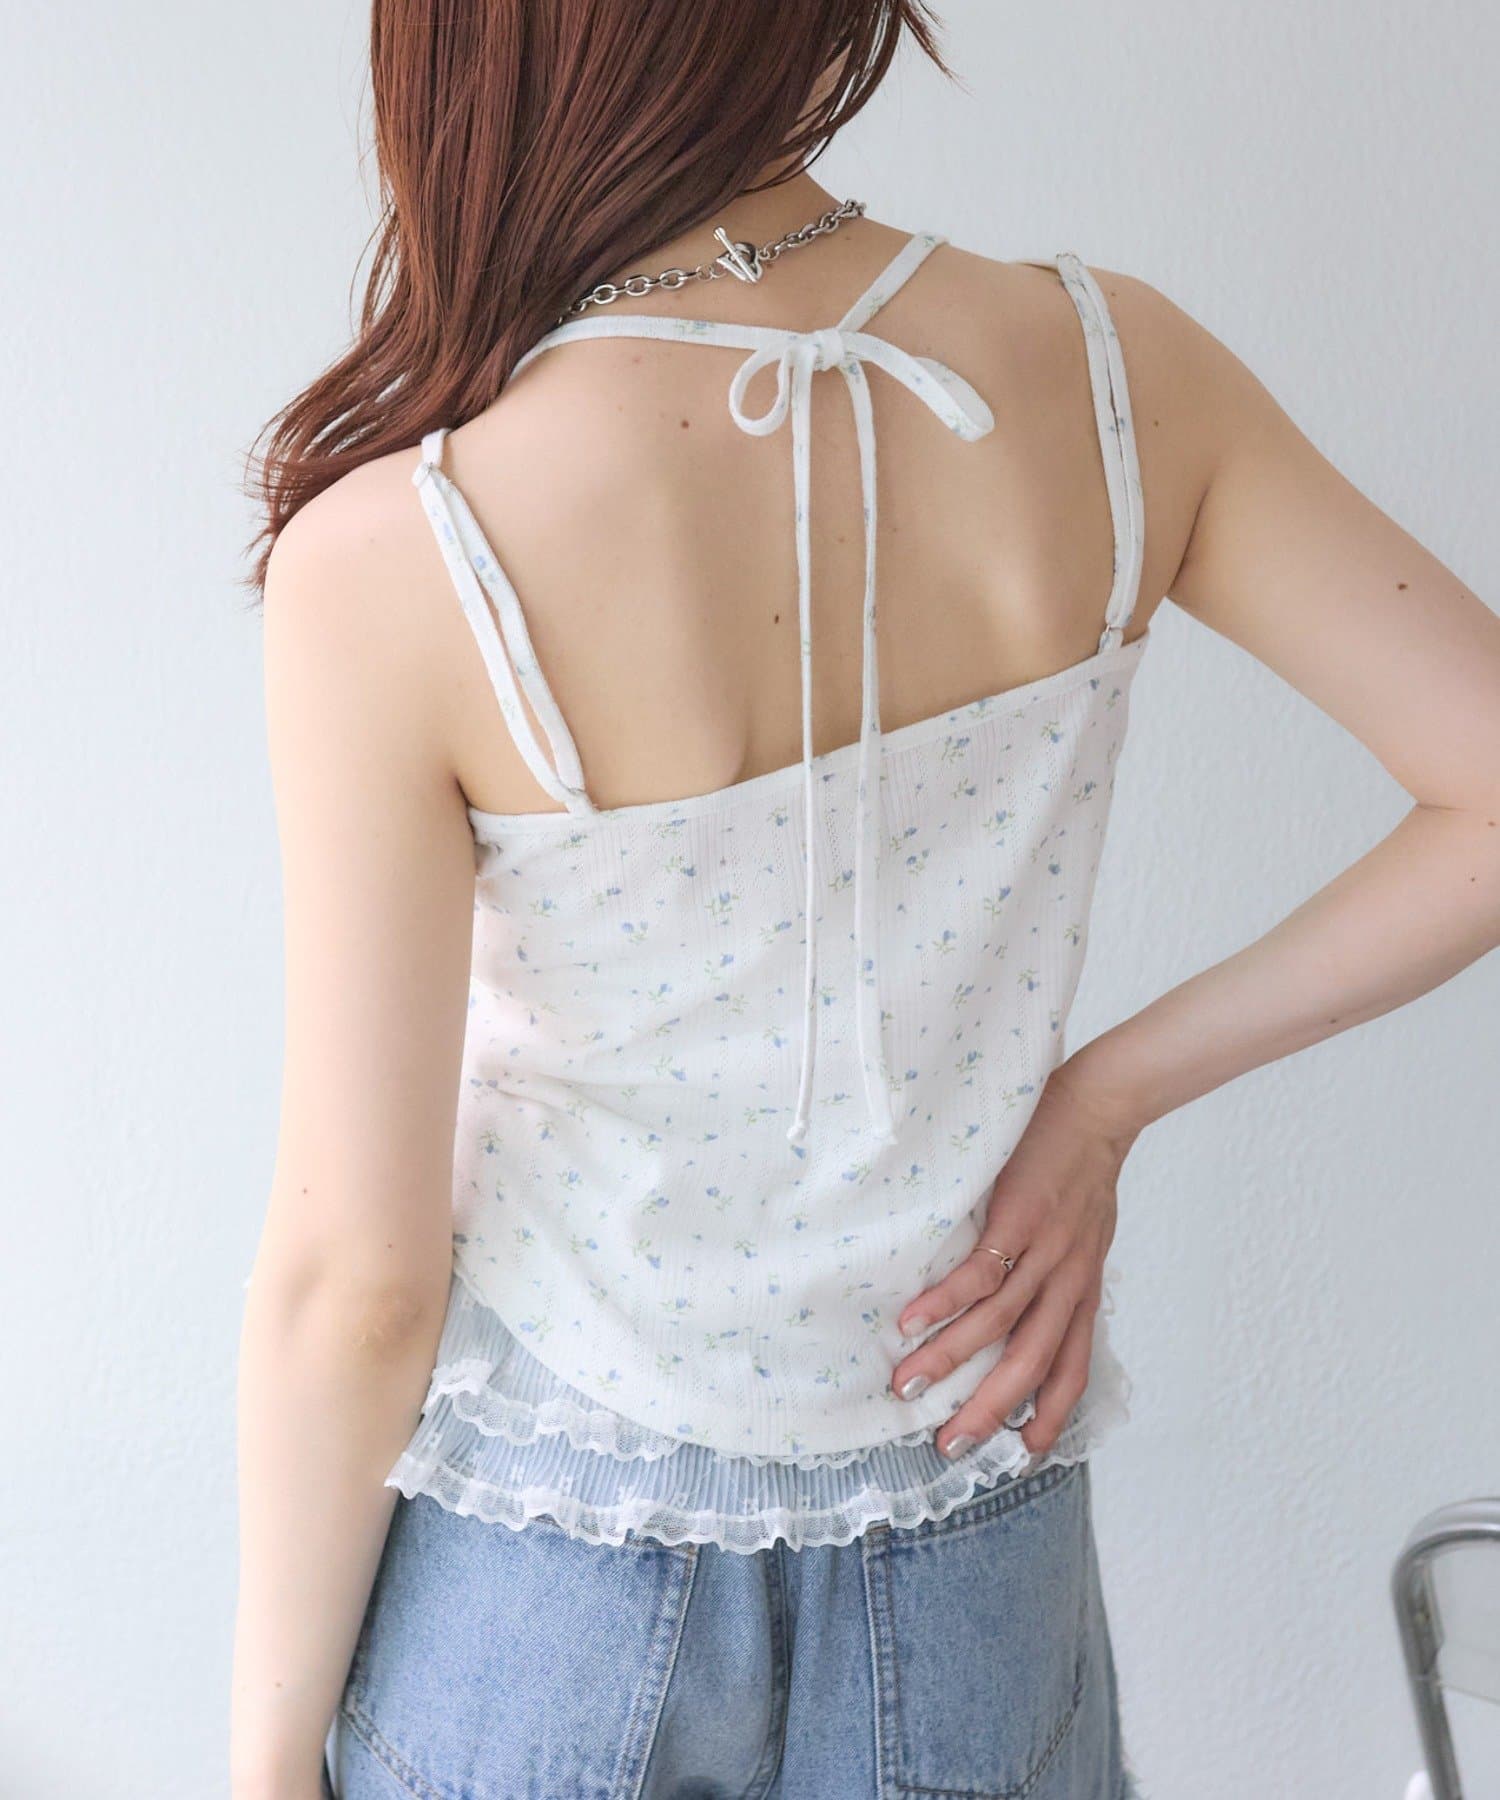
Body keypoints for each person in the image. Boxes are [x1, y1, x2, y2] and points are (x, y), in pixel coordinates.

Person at [229, 5, 1500, 1797]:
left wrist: (263, 1759)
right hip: (973, 1543)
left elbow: (360, 1283)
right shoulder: (1110, 372)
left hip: (552, 1581)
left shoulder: (402, 550)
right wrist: (1105, 1101)